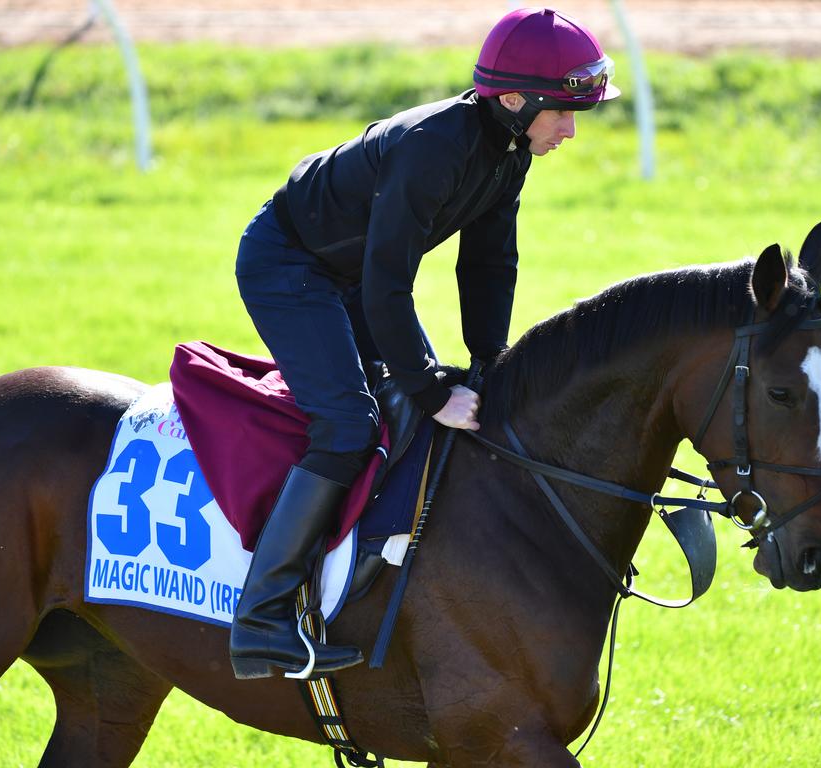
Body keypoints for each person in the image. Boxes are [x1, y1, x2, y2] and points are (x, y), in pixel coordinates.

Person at [229, 6, 621, 680]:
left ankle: (365, 583)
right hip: (289, 263)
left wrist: (489, 365)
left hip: (349, 273)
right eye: (561, 111)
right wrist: (434, 387)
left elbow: (489, 265)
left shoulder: (507, 152)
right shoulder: (433, 146)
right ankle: (261, 619)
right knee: (351, 423)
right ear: (515, 98)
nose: (570, 129)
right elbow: (387, 285)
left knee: (407, 406)